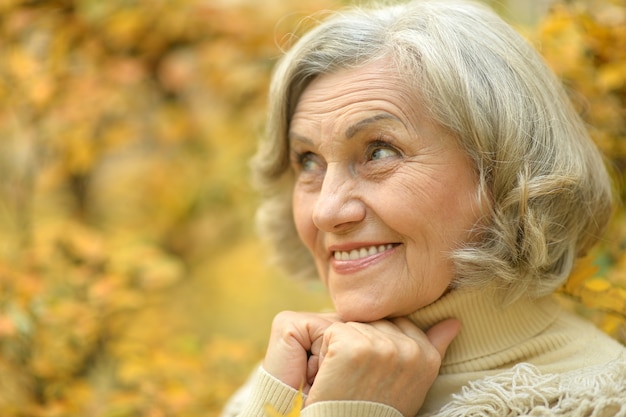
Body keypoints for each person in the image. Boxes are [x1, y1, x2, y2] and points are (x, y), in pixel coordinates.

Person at [222, 0, 626, 416]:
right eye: (308, 161)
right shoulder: (290, 373)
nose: (326, 211)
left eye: (379, 152)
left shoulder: (597, 402)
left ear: (502, 168)